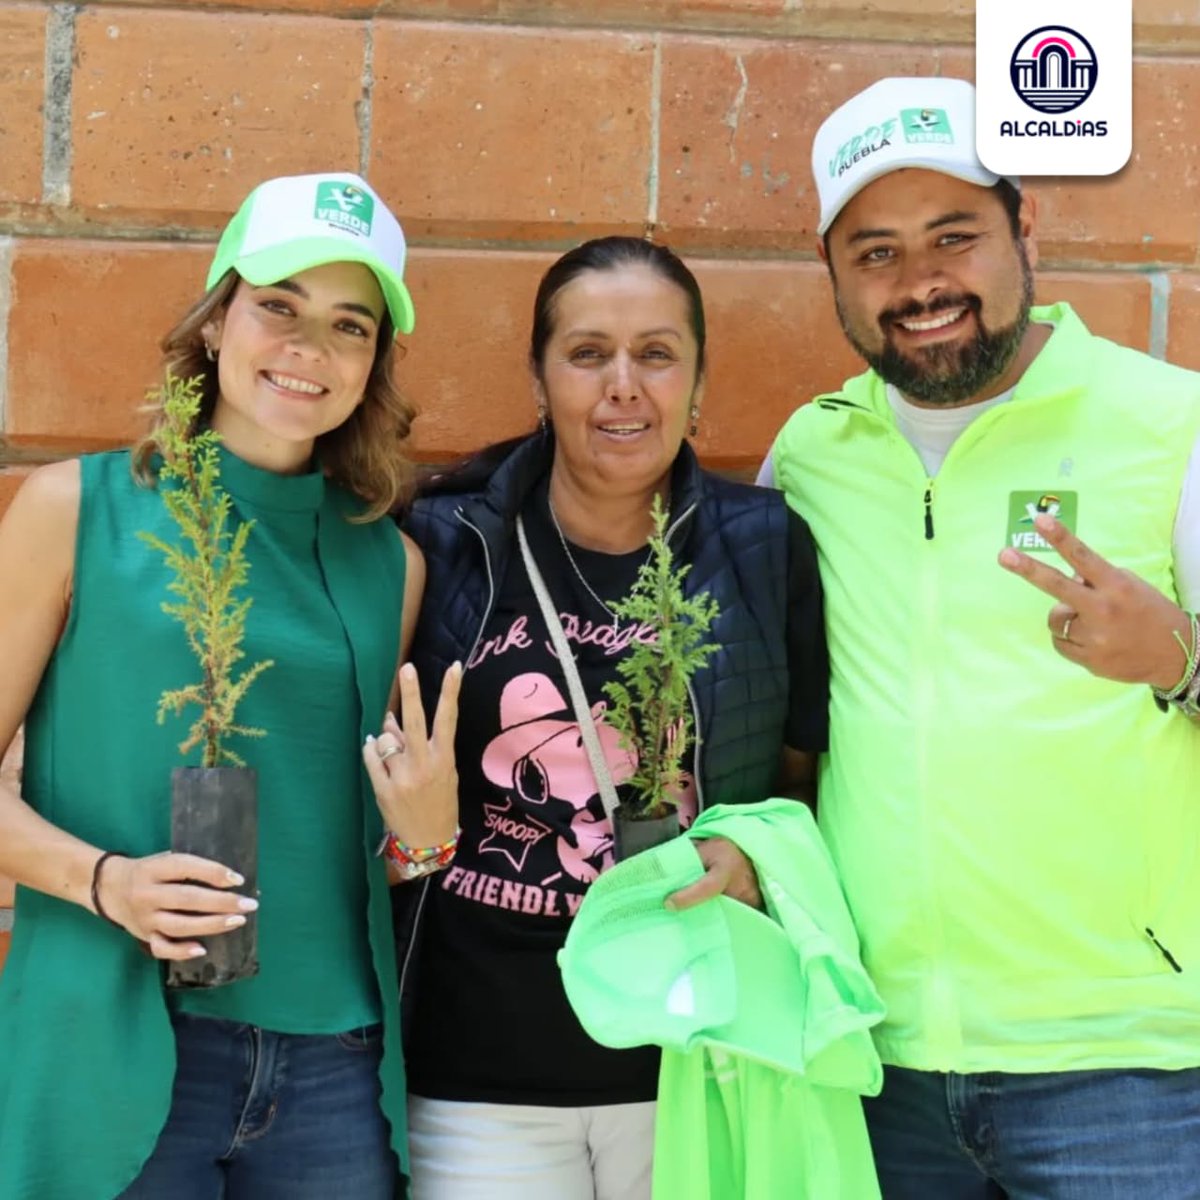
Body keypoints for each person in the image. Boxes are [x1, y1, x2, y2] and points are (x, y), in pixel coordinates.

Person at [762, 76, 1200, 1198]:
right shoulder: (808, 458)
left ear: (1024, 228)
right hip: (876, 1057)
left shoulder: (1171, 424)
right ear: (834, 274)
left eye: (955, 235)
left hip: (1127, 1069)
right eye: (876, 253)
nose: (920, 283)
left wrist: (1179, 660)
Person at [0, 171, 459, 1200]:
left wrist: (424, 839)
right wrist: (104, 880)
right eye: (278, 307)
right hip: (119, 1039)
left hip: (335, 1066)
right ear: (216, 323)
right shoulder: (77, 510)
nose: (309, 349)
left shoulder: (389, 562)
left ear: (374, 361)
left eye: (350, 325)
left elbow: (337, 841)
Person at [395, 235, 830, 1199]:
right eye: (588, 354)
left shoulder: (763, 547)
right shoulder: (449, 540)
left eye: (657, 354)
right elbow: (365, 784)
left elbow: (808, 783)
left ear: (697, 377)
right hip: (477, 1081)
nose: (623, 385)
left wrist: (758, 856)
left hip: (692, 1063)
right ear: (540, 377)